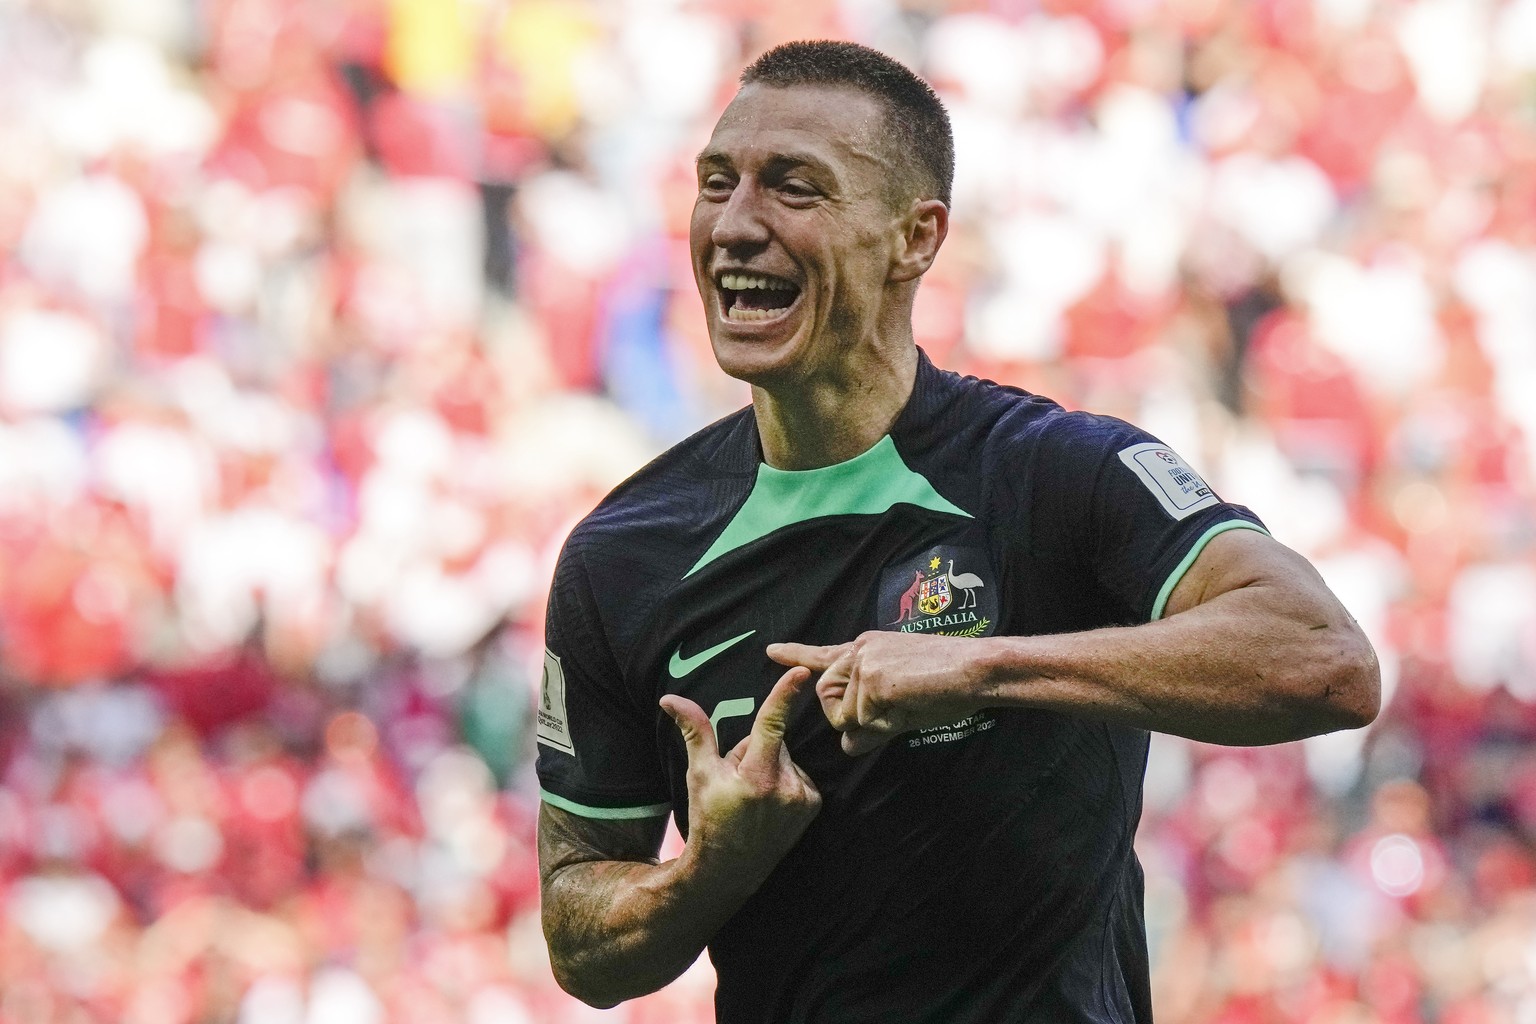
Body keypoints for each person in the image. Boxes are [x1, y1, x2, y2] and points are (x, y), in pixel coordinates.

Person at [535, 40, 1379, 1023]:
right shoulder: (623, 553)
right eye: (716, 183)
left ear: (915, 238)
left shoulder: (1062, 472)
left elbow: (1325, 660)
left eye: (793, 188)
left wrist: (980, 669)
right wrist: (707, 873)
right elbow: (579, 936)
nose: (734, 225)